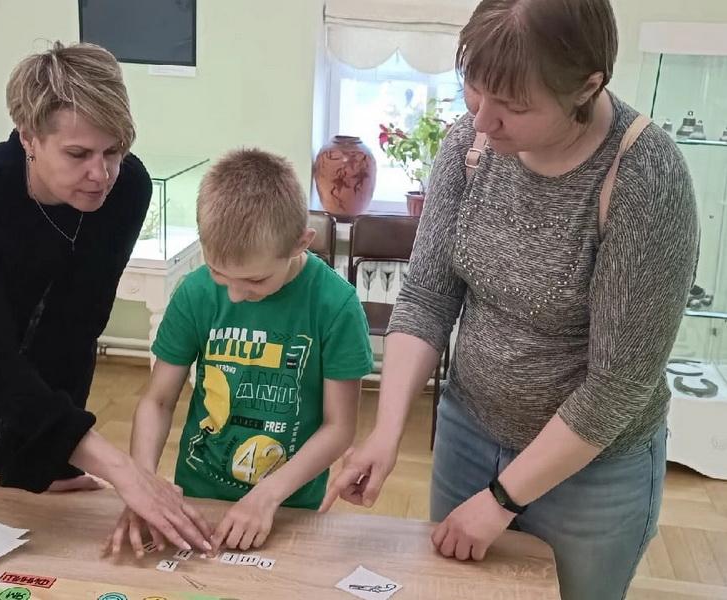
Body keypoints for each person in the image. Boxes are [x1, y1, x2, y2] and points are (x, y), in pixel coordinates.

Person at [322, 1, 699, 598]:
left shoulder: (643, 177)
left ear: (586, 87)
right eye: (474, 90)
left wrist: (502, 499)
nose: (483, 120)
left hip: (592, 471)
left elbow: (616, 387)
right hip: (469, 435)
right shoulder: (469, 145)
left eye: (514, 106)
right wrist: (386, 431)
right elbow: (426, 298)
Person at [0, 41, 210, 552]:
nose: (101, 174)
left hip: (42, 388)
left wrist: (46, 456)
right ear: (29, 136)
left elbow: (77, 327)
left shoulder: (127, 188)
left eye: (113, 151)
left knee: (37, 530)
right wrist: (124, 470)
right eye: (78, 154)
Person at [105, 149, 373, 557]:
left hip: (287, 506)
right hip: (197, 497)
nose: (234, 294)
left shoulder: (335, 306)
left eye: (255, 280)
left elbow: (339, 427)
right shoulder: (195, 293)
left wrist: (268, 496)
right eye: (218, 272)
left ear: (301, 243)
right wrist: (143, 485)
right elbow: (158, 401)